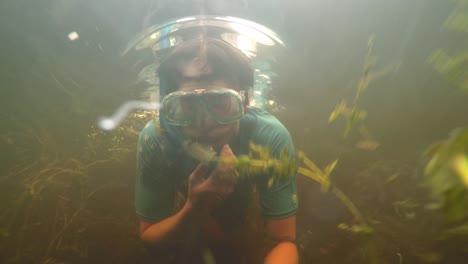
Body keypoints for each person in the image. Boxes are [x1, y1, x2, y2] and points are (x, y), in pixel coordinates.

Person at [135, 37, 299, 264]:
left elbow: (283, 240)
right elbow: (150, 237)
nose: (204, 123)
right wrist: (194, 207)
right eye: (188, 104)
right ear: (169, 107)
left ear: (245, 102)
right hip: (191, 211)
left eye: (220, 102)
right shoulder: (158, 139)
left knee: (234, 235)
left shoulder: (269, 137)